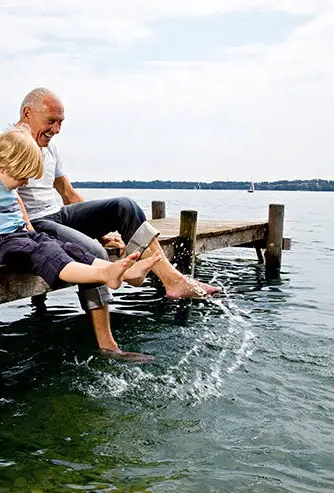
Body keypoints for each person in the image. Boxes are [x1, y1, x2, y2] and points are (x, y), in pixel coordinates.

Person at [14, 87, 222, 354]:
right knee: (93, 253)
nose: (56, 129)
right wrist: (32, 234)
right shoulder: (11, 143)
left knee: (124, 206)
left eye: (60, 122)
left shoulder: (49, 149)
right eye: (51, 121)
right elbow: (9, 196)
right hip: (35, 224)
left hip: (59, 215)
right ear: (27, 113)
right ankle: (108, 345)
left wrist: (101, 230)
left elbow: (68, 193)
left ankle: (170, 279)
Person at [0, 126, 163, 358]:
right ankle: (106, 274)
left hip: (22, 235)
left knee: (65, 247)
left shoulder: (6, 180)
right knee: (46, 252)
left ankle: (124, 272)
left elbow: (19, 207)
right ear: (2, 168)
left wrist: (30, 230)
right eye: (21, 178)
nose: (23, 183)